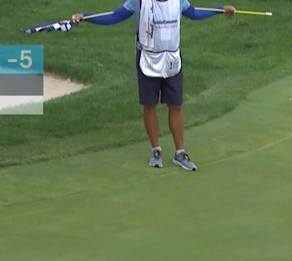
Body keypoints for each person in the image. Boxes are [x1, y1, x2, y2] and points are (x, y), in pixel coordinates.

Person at [72, 1, 236, 171]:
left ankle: (180, 153)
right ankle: (155, 149)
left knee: (176, 105)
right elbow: (114, 16)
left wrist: (220, 9)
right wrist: (86, 17)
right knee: (150, 105)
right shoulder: (139, 2)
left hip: (172, 59)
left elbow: (194, 13)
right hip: (148, 59)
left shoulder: (178, 1)